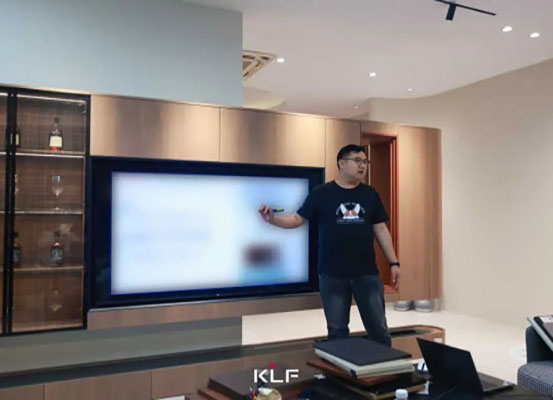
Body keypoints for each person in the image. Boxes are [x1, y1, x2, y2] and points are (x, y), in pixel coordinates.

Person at [258, 144, 400, 346]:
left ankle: (385, 364)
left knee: (378, 329)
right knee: (337, 331)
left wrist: (394, 262)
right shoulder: (321, 193)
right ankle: (341, 366)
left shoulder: (370, 194)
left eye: (365, 161)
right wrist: (273, 219)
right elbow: (298, 219)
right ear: (341, 163)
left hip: (367, 273)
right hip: (332, 275)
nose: (363, 166)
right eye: (357, 161)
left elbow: (381, 230)